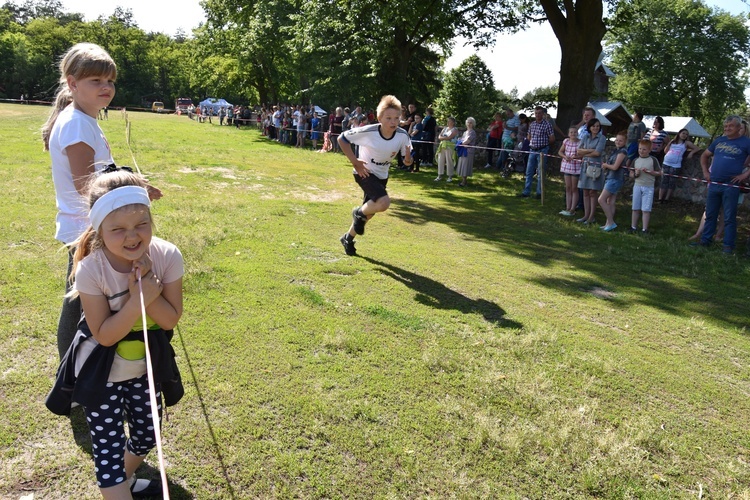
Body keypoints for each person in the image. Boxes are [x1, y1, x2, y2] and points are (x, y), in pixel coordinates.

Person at [46, 170, 183, 498]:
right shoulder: (91, 269)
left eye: (141, 225)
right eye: (118, 229)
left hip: (145, 366)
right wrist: (140, 298)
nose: (132, 237)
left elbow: (170, 320)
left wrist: (150, 292)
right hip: (100, 370)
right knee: (107, 449)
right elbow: (105, 335)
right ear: (99, 230)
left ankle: (123, 480)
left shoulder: (166, 256)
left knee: (148, 434)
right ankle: (116, 483)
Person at [41, 43, 120, 359]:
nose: (106, 88)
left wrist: (133, 184)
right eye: (96, 81)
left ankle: (79, 371)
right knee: (78, 303)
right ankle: (70, 379)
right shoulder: (76, 123)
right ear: (72, 84)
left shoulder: (84, 119)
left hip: (90, 225)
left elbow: (100, 174)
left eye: (110, 81)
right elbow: (85, 184)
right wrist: (126, 188)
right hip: (86, 230)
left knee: (85, 301)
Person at [338, 95, 413, 256]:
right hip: (364, 172)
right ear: (379, 118)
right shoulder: (369, 131)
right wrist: (355, 162)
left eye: (396, 118)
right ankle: (357, 212)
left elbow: (407, 163)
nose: (393, 122)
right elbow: (342, 139)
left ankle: (347, 238)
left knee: (369, 212)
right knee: (383, 203)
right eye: (388, 118)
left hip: (382, 176)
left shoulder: (402, 135)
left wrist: (407, 159)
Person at [695, 115, 750, 253]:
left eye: (730, 126)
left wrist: (745, 174)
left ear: (738, 127)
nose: (727, 128)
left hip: (731, 185)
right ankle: (705, 241)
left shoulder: (746, 142)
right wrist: (706, 172)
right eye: (725, 126)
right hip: (714, 182)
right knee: (711, 214)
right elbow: (704, 155)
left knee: (729, 217)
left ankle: (728, 246)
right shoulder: (719, 140)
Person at [575, 118, 607, 224]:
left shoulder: (602, 138)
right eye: (594, 126)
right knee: (585, 191)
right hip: (585, 166)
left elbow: (598, 153)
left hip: (595, 167)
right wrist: (591, 151)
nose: (596, 128)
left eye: (598, 126)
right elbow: (578, 151)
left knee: (593, 192)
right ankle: (586, 215)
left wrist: (586, 153)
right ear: (590, 127)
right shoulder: (585, 136)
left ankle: (591, 216)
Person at [519, 106, 554, 199]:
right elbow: (529, 136)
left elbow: (552, 138)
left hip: (542, 150)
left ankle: (539, 193)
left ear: (542, 114)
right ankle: (526, 191)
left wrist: (544, 144)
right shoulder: (532, 124)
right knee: (529, 171)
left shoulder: (547, 124)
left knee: (540, 172)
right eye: (536, 113)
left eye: (539, 113)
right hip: (532, 150)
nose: (537, 115)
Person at [598, 130, 629, 231]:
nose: (618, 142)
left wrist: (606, 165)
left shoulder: (622, 151)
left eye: (620, 141)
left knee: (601, 199)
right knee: (610, 201)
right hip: (610, 176)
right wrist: (606, 166)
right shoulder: (615, 150)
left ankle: (611, 222)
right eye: (617, 140)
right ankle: (608, 223)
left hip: (615, 178)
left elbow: (615, 167)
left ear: (625, 142)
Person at [630, 139, 662, 233]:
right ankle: (633, 227)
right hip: (637, 186)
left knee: (646, 209)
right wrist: (635, 174)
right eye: (640, 149)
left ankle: (644, 229)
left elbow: (659, 173)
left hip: (648, 187)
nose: (641, 151)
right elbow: (631, 173)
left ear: (649, 150)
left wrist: (651, 172)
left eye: (644, 149)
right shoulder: (635, 160)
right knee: (635, 208)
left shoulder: (653, 160)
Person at [658, 128, 699, 202]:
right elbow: (665, 151)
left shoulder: (686, 143)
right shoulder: (673, 141)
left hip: (676, 165)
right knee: (664, 180)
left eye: (686, 134)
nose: (684, 135)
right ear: (679, 133)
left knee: (671, 182)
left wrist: (691, 153)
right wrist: (669, 144)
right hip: (666, 163)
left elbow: (697, 148)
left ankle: (667, 198)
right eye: (683, 133)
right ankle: (660, 198)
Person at [558, 125, 582, 216]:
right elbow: (560, 152)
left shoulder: (580, 143)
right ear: (568, 134)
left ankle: (573, 208)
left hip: (576, 167)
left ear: (577, 133)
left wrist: (575, 157)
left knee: (574, 188)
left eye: (575, 132)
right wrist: (565, 156)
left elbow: (582, 155)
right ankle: (568, 207)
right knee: (568, 187)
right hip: (567, 166)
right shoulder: (566, 141)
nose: (573, 134)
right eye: (571, 132)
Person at [434, 117, 458, 182]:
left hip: (450, 146)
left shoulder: (454, 129)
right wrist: (444, 138)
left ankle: (450, 176)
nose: (448, 122)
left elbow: (450, 137)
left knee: (449, 160)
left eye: (449, 121)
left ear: (453, 122)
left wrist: (443, 138)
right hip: (442, 146)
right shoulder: (445, 128)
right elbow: (439, 136)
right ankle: (439, 175)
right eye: (447, 121)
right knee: (440, 160)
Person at [456, 117, 477, 187]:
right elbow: (461, 140)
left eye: (471, 123)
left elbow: (467, 141)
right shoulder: (465, 132)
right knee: (462, 165)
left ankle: (464, 181)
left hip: (468, 152)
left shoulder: (472, 132)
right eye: (468, 122)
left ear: (473, 124)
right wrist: (461, 143)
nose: (469, 124)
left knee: (465, 166)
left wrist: (461, 143)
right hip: (463, 151)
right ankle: (463, 180)